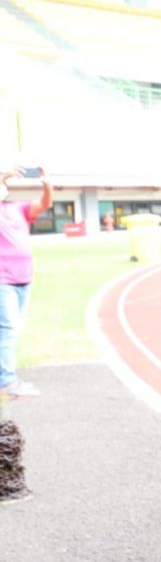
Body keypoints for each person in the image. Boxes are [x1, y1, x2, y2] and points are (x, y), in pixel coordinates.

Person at [0, 167, 51, 398]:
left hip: (24, 279)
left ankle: (6, 378)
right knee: (8, 329)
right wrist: (4, 174)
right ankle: (7, 382)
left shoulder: (17, 208)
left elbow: (45, 203)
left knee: (13, 329)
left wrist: (46, 183)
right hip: (4, 281)